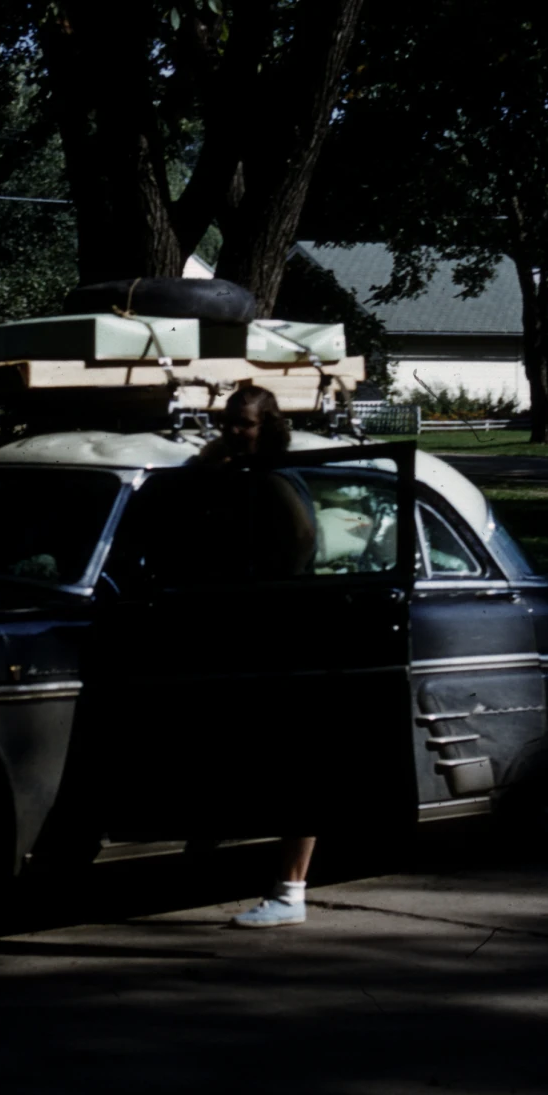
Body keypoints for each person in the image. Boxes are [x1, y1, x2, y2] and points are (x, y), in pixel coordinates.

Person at [194, 387, 320, 929]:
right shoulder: (236, 476)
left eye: (244, 424)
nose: (233, 432)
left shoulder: (275, 481)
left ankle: (292, 891)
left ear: (268, 425)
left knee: (295, 765)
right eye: (227, 423)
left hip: (284, 633)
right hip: (238, 633)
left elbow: (297, 546)